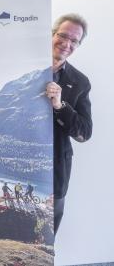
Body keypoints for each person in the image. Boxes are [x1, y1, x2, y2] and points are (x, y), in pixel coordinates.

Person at [46, 13, 92, 234]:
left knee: (48, 233)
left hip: (56, 169)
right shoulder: (25, 71)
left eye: (74, 41)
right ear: (52, 34)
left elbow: (84, 132)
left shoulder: (81, 82)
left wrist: (60, 106)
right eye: (63, 36)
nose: (67, 44)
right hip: (24, 164)